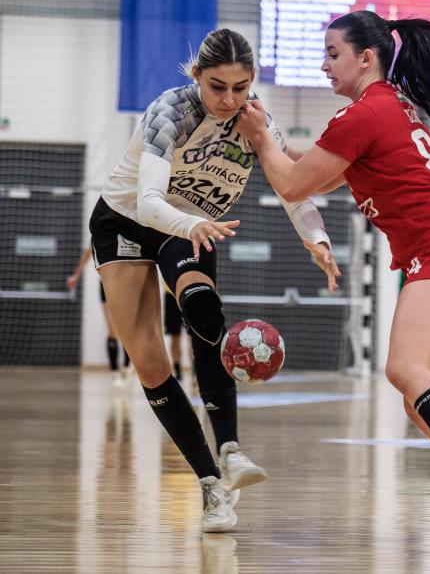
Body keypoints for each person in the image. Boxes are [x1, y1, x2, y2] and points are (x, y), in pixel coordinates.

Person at [234, 11, 430, 545]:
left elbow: (292, 185)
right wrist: (269, 137)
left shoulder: (363, 113)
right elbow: (317, 175)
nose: (324, 65)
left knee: (405, 368)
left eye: (332, 53)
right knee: (423, 401)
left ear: (366, 58)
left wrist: (261, 137)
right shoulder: (387, 107)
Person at [89, 28, 340, 532]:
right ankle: (209, 483)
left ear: (253, 81)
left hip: (190, 224)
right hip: (128, 221)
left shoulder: (257, 120)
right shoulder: (170, 111)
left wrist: (317, 238)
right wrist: (192, 225)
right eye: (217, 87)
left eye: (240, 87)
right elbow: (149, 204)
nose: (229, 99)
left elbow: (293, 188)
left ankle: (230, 449)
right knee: (150, 363)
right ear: (197, 76)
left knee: (203, 310)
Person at [67, 245, 132, 385]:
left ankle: (126, 367)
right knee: (112, 331)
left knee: (127, 330)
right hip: (106, 284)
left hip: (125, 284)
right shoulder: (101, 235)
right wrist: (76, 276)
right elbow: (87, 252)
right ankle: (114, 372)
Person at [163, 290, 191, 382]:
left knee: (192, 337)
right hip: (171, 295)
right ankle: (178, 372)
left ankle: (195, 373)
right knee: (175, 337)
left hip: (187, 293)